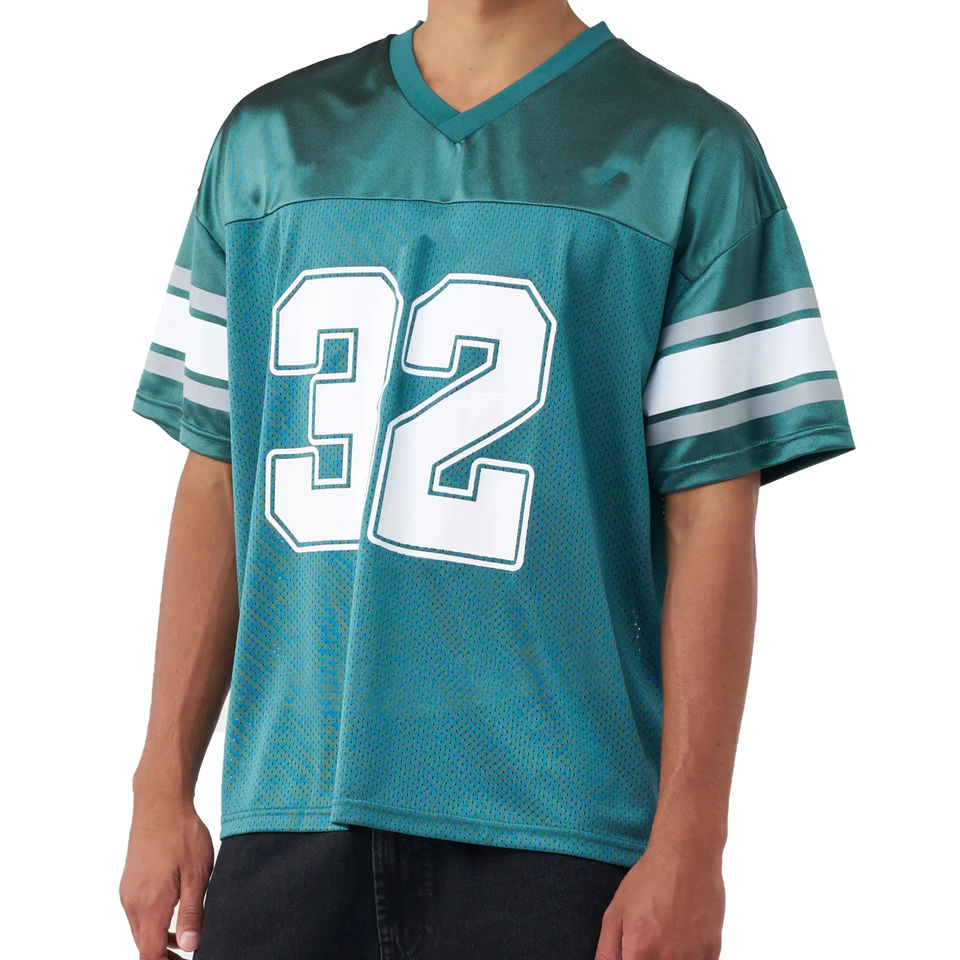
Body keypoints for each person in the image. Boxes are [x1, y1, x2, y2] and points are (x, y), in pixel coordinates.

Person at [119, 1, 855, 958]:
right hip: (292, 809)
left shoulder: (687, 153)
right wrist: (160, 786)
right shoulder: (268, 143)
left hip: (563, 828)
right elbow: (220, 473)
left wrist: (693, 840)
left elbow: (710, 518)